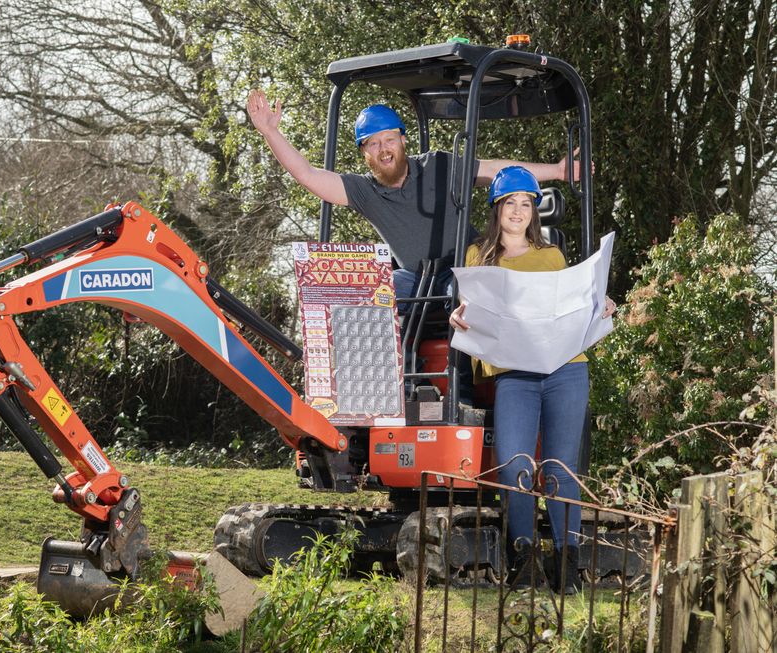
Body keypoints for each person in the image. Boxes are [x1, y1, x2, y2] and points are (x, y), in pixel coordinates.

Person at [245, 90, 585, 311]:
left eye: (389, 139)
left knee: (463, 294)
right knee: (377, 292)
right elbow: (308, 175)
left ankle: (463, 386)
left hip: (464, 268)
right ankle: (391, 386)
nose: (383, 149)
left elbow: (498, 170)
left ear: (402, 140)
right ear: (364, 152)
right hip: (415, 279)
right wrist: (271, 133)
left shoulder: (438, 165)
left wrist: (556, 170)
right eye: (373, 144)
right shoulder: (365, 191)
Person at [448, 166, 616, 594]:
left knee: (562, 469)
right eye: (510, 203)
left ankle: (567, 566)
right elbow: (472, 312)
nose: (519, 211)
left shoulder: (553, 256)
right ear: (497, 209)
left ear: (533, 212)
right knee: (517, 466)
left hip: (566, 369)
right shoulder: (477, 257)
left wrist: (600, 306)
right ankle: (523, 559)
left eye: (526, 204)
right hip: (516, 376)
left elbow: (571, 307)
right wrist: (457, 317)